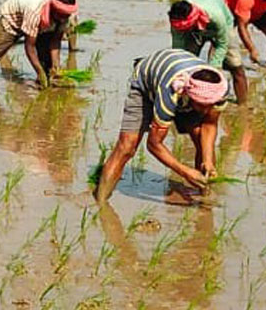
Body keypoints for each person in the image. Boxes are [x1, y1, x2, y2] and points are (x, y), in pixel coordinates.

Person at [93, 48, 229, 202]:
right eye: (202, 105)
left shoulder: (220, 90)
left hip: (180, 78)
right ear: (189, 96)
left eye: (210, 105)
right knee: (126, 147)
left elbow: (209, 125)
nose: (206, 111)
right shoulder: (169, 94)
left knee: (201, 139)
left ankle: (204, 198)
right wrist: (185, 171)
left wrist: (208, 160)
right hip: (146, 83)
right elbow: (154, 144)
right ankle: (100, 202)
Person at [0, 0, 77, 87]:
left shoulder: (66, 15)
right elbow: (29, 47)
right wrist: (39, 71)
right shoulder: (35, 12)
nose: (63, 19)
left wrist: (56, 65)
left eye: (65, 16)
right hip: (14, 19)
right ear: (53, 9)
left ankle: (44, 86)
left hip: (43, 22)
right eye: (61, 16)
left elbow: (55, 41)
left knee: (47, 60)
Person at [169, 0, 247, 104]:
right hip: (193, 32)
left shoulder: (216, 16)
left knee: (235, 65)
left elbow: (222, 44)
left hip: (221, 29)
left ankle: (242, 104)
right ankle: (191, 101)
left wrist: (214, 68)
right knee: (187, 66)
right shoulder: (177, 23)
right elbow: (179, 52)